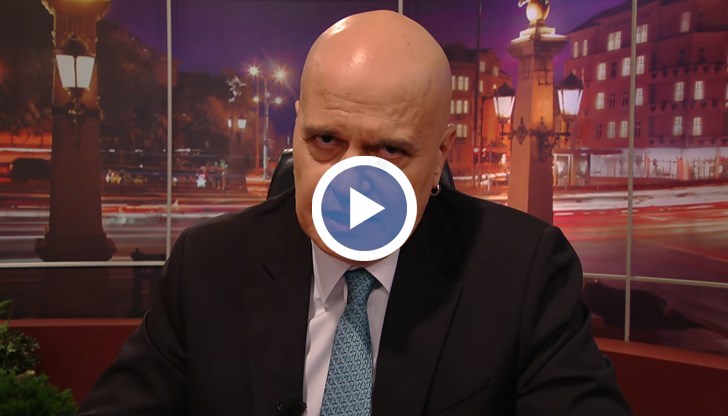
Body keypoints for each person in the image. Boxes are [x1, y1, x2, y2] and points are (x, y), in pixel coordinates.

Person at [79, 10, 631, 416]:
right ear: (296, 128)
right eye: (325, 139)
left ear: (441, 152)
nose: (348, 184)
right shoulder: (207, 265)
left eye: (389, 150)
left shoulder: (523, 272)